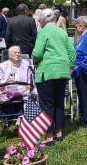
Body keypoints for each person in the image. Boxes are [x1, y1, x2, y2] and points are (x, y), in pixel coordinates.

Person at [32, 8, 76, 144]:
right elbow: (72, 52)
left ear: (43, 20)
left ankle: (49, 136)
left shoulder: (43, 32)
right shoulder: (62, 32)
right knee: (59, 103)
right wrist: (71, 66)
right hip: (62, 71)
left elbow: (38, 53)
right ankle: (59, 133)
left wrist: (34, 59)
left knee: (47, 105)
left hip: (48, 71)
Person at [0, 45, 32, 117]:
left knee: (31, 93)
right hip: (7, 90)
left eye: (19, 52)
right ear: (10, 54)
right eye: (15, 52)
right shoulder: (2, 66)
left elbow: (30, 78)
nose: (18, 54)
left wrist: (28, 86)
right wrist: (6, 80)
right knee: (3, 93)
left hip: (23, 89)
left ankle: (25, 117)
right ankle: (6, 117)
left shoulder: (26, 64)